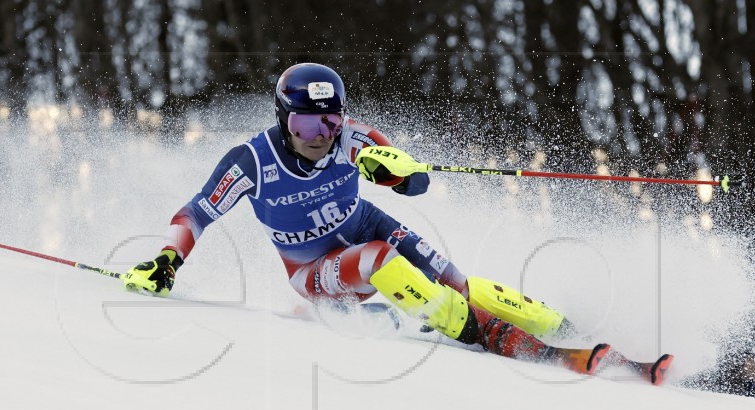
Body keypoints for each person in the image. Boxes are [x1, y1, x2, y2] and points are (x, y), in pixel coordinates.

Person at [122, 62, 608, 374]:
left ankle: (563, 328)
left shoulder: (353, 138)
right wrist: (168, 261)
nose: (320, 134)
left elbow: (417, 183)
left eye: (331, 120)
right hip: (313, 272)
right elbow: (197, 212)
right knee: (378, 260)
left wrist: (395, 172)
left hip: (367, 222)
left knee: (453, 278)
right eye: (306, 122)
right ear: (283, 119)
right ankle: (474, 331)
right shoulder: (251, 161)